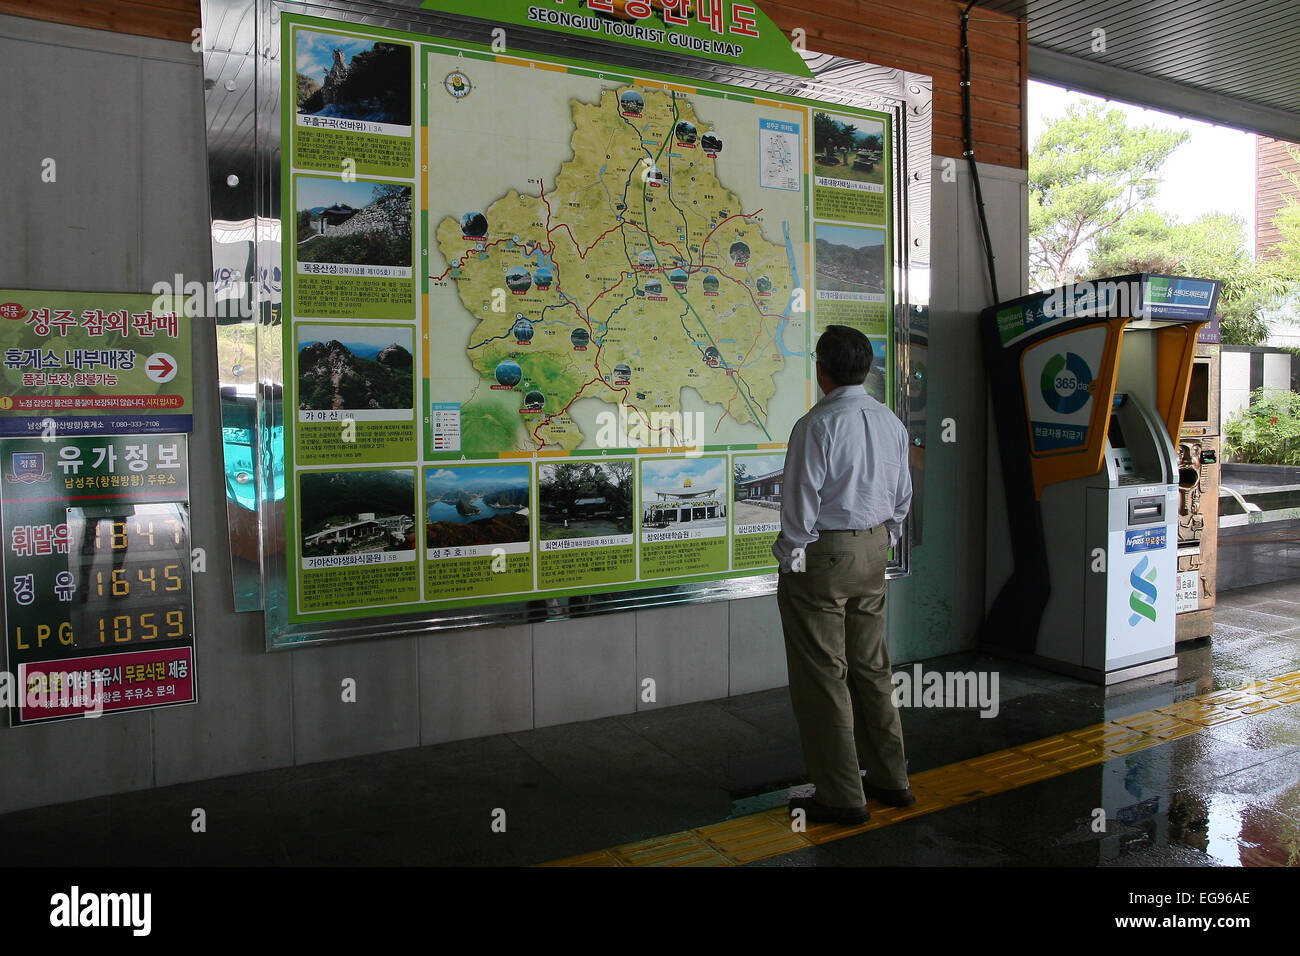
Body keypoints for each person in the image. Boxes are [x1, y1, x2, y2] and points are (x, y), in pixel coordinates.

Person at [772, 325, 914, 825]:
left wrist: (791, 560)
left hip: (824, 557)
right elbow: (902, 496)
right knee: (872, 668)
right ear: (868, 368)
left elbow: (799, 505)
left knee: (823, 676)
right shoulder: (889, 421)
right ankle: (892, 779)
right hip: (875, 550)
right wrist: (885, 538)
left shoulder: (816, 424)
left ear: (821, 369)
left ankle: (841, 795)